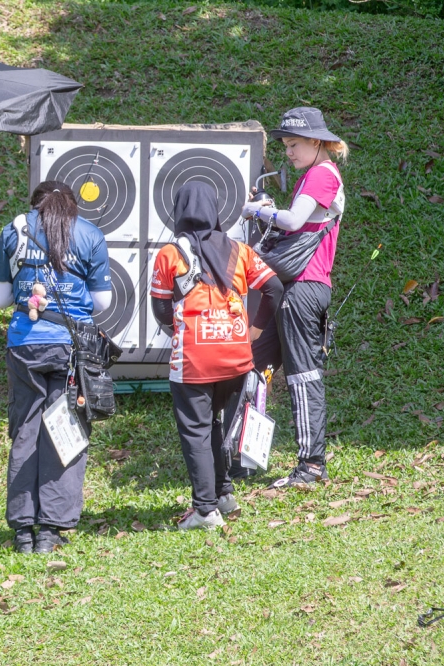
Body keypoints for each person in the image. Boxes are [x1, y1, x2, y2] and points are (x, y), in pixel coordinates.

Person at [0, 181, 111, 553]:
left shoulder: (14, 230)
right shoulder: (90, 233)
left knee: (26, 430)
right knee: (65, 430)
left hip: (24, 345)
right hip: (70, 348)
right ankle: (51, 530)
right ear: (72, 205)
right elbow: (101, 301)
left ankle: (23, 530)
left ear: (34, 205)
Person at [150, 181, 277, 530]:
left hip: (193, 361)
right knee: (214, 424)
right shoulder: (240, 250)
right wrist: (255, 332)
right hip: (236, 358)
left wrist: (179, 331)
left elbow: (160, 307)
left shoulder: (169, 254)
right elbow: (275, 289)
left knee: (195, 431)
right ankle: (223, 494)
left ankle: (205, 511)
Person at [240, 107, 348, 489]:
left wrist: (257, 210)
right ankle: (244, 456)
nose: (288, 152)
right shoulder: (312, 175)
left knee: (303, 375)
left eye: (294, 144)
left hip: (305, 288)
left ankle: (311, 466)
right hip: (295, 288)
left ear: (317, 142)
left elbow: (293, 222)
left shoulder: (321, 173)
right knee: (252, 364)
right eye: (286, 145)